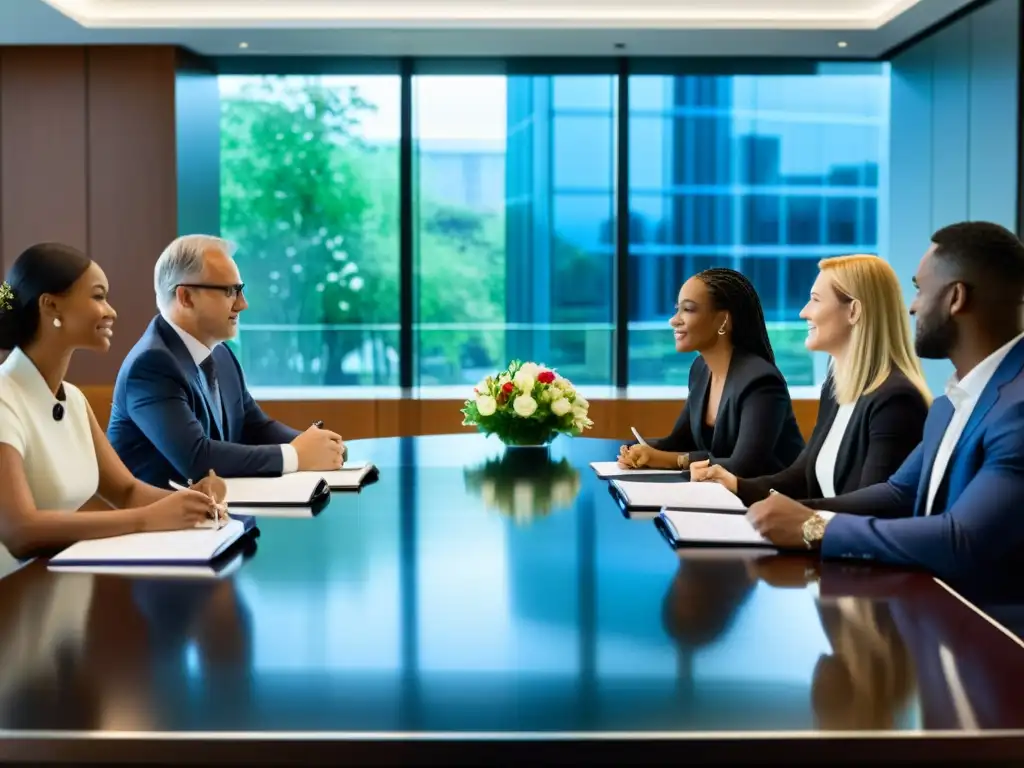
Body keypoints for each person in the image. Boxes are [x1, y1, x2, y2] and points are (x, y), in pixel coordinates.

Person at [745, 221, 1024, 587]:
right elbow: (898, 492)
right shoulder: (950, 405)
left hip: (989, 634)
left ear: (956, 298)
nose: (912, 307)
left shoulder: (1016, 410)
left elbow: (963, 539)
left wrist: (813, 527)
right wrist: (792, 514)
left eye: (920, 290)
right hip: (927, 613)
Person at [0, 243, 225, 569]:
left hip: (52, 587)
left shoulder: (73, 400)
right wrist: (145, 519)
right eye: (97, 296)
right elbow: (19, 531)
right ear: (50, 306)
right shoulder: (5, 398)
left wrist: (193, 502)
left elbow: (128, 491)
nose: (111, 310)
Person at [691, 255, 931, 505]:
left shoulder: (896, 400)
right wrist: (736, 485)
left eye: (815, 300)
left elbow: (872, 507)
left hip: (845, 542)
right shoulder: (838, 384)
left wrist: (790, 513)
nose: (804, 312)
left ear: (854, 311)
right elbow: (802, 477)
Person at [107, 235, 345, 486]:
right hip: (160, 522)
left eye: (241, 290)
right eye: (230, 291)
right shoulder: (151, 365)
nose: (242, 304)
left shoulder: (221, 354)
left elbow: (256, 428)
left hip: (216, 516)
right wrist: (296, 456)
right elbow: (197, 459)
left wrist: (321, 446)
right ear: (186, 297)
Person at [617, 267, 804, 476]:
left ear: (723, 320)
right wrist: (637, 449)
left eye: (687, 310)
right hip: (723, 497)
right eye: (677, 309)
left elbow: (744, 466)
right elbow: (678, 441)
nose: (674, 320)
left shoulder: (762, 381)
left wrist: (675, 460)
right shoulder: (700, 369)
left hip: (772, 501)